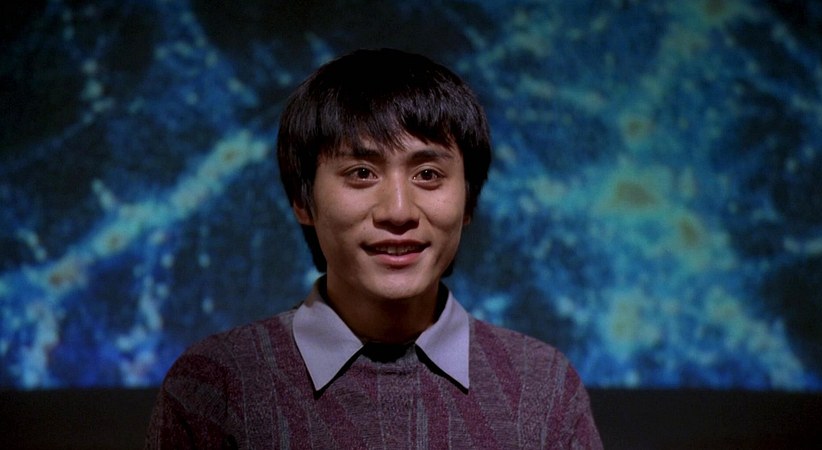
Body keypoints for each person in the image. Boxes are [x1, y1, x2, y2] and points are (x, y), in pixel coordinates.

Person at [145, 48, 602, 449]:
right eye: (362, 173)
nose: (398, 211)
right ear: (303, 200)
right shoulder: (215, 386)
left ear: (468, 201)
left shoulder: (541, 385)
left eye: (428, 175)